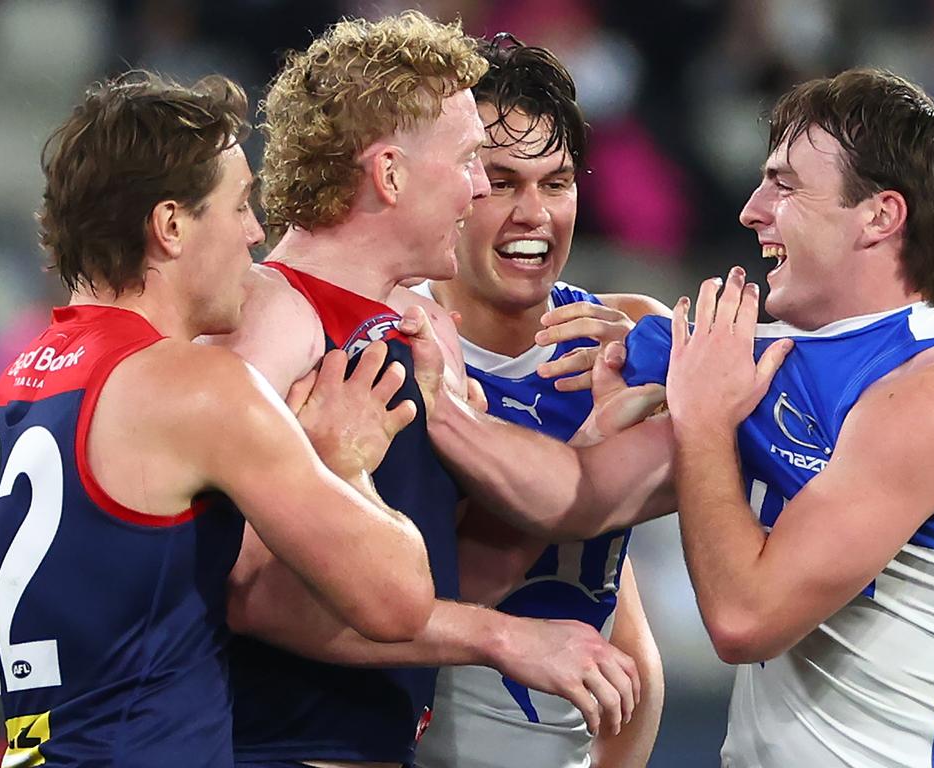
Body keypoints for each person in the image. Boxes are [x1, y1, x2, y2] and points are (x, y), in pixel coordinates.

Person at [420, 67, 934, 768]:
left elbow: (744, 620)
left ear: (879, 215)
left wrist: (703, 422)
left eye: (785, 184)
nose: (751, 209)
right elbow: (582, 500)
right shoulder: (750, 357)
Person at [211, 12, 645, 768]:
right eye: (475, 161)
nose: (478, 187)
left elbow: (452, 581)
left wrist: (592, 455)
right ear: (390, 173)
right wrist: (505, 637)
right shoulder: (269, 316)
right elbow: (246, 592)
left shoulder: (420, 329)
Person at [0, 70, 435, 768]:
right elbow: (399, 603)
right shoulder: (197, 390)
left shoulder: (24, 376)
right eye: (241, 205)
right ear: (170, 226)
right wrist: (346, 462)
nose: (256, 233)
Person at [409, 37, 665, 768]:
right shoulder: (402, 347)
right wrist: (586, 458)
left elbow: (624, 626)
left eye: (556, 183)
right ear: (451, 184)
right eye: (501, 181)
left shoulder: (623, 337)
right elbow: (417, 599)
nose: (535, 214)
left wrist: (667, 363)